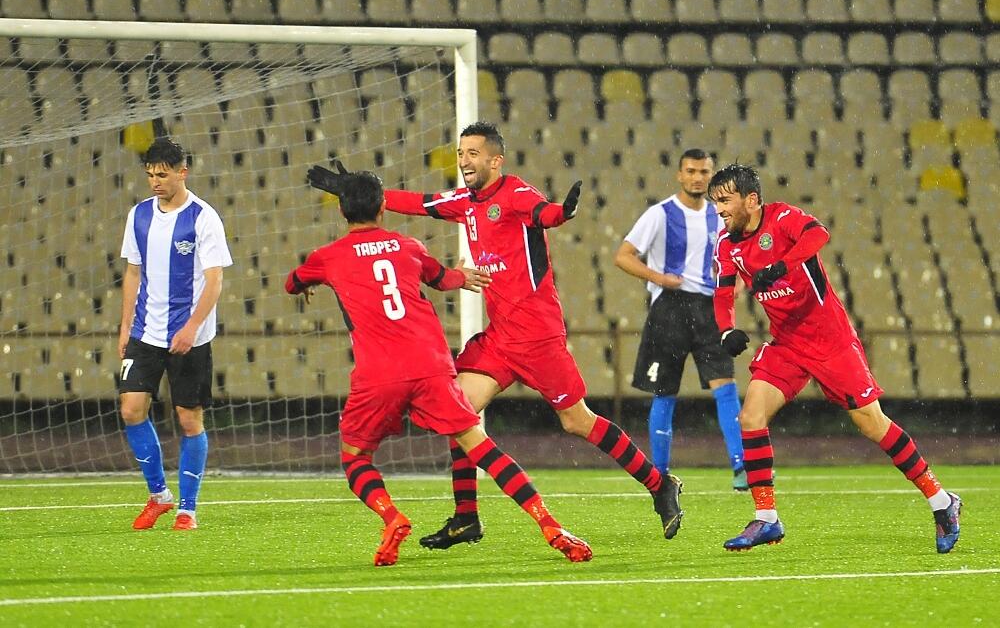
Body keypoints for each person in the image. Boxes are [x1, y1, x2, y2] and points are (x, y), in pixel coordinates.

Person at [309, 122, 684, 549]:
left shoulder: (516, 194)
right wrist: (356, 193)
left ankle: (658, 484)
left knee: (577, 421)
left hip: (539, 336)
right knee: (460, 413)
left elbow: (544, 213)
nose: (464, 161)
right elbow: (419, 203)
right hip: (500, 338)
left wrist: (563, 213)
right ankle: (467, 517)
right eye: (461, 153)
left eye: (472, 153)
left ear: (495, 160)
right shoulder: (465, 202)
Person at [286, 166, 592, 566]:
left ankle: (392, 516)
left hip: (379, 374)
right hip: (432, 366)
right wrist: (463, 276)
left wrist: (306, 283)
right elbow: (443, 278)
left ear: (342, 212)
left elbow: (292, 282)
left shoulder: (327, 257)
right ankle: (550, 525)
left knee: (355, 455)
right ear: (383, 208)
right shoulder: (409, 247)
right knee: (479, 445)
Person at [708, 163, 961, 553]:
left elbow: (818, 234)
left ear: (752, 199)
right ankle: (767, 518)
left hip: (831, 341)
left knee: (873, 424)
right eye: (715, 202)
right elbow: (724, 292)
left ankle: (942, 501)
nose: (719, 208)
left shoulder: (783, 218)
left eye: (725, 200)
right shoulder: (727, 245)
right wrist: (726, 329)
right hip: (787, 343)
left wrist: (781, 265)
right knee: (751, 416)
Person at [614, 148, 746, 491]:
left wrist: (733, 288)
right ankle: (659, 474)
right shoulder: (659, 215)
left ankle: (741, 467)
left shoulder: (718, 218)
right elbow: (623, 257)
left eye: (704, 172)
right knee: (664, 392)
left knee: (725, 387)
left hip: (707, 308)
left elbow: (734, 257)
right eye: (691, 171)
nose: (697, 178)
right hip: (669, 309)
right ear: (679, 174)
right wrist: (658, 278)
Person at [118, 137, 233, 531]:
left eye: (162, 175)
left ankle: (188, 508)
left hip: (190, 337)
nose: (155, 182)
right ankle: (158, 496)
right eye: (150, 174)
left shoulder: (204, 217)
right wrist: (124, 327)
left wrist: (190, 327)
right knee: (131, 409)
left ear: (182, 172)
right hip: (145, 332)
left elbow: (215, 280)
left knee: (189, 421)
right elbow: (133, 272)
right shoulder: (138, 216)